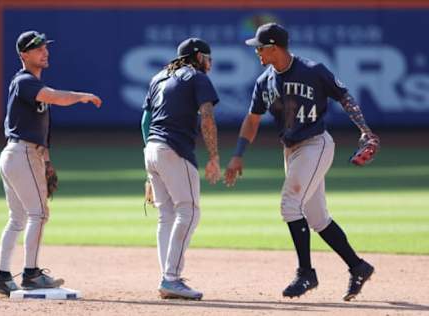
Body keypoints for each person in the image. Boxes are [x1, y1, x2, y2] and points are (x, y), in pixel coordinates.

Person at [225, 23, 379, 301]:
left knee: (289, 205)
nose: (257, 52)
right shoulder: (264, 81)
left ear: (274, 47)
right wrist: (238, 153)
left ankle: (306, 272)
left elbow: (344, 97)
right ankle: (358, 266)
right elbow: (252, 119)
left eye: (260, 47)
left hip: (316, 144)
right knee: (318, 218)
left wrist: (365, 130)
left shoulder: (312, 70)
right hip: (291, 150)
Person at [0, 30, 102, 296]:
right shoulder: (25, 81)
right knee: (38, 214)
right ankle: (31, 274)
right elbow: (55, 97)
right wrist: (81, 95)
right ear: (23, 55)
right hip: (22, 154)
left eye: (45, 47)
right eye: (37, 48)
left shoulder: (31, 86)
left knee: (17, 218)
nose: (44, 51)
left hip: (21, 154)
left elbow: (41, 128)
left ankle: (3, 276)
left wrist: (48, 163)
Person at [141, 38, 221, 300]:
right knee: (190, 211)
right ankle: (171, 278)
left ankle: (168, 275)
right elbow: (207, 117)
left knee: (166, 215)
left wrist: (149, 165)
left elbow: (145, 120)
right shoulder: (197, 77)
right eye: (207, 57)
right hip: (174, 149)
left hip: (152, 148)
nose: (209, 62)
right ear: (197, 56)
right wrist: (214, 156)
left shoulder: (158, 77)